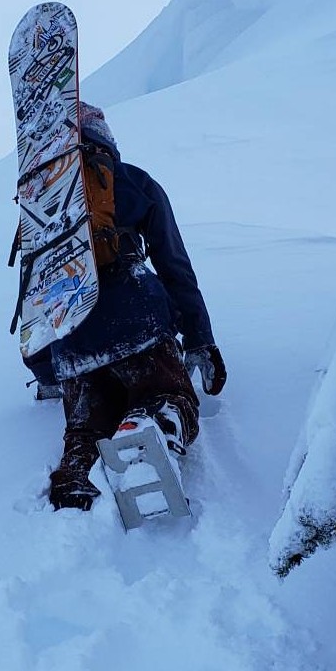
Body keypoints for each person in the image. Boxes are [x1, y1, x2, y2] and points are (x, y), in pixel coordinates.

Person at [43, 101, 226, 510]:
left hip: (71, 341)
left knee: (84, 430)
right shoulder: (132, 181)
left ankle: (74, 485)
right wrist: (199, 338)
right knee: (169, 395)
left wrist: (47, 374)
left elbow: (35, 303)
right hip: (136, 321)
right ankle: (153, 422)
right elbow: (174, 265)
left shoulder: (43, 207)